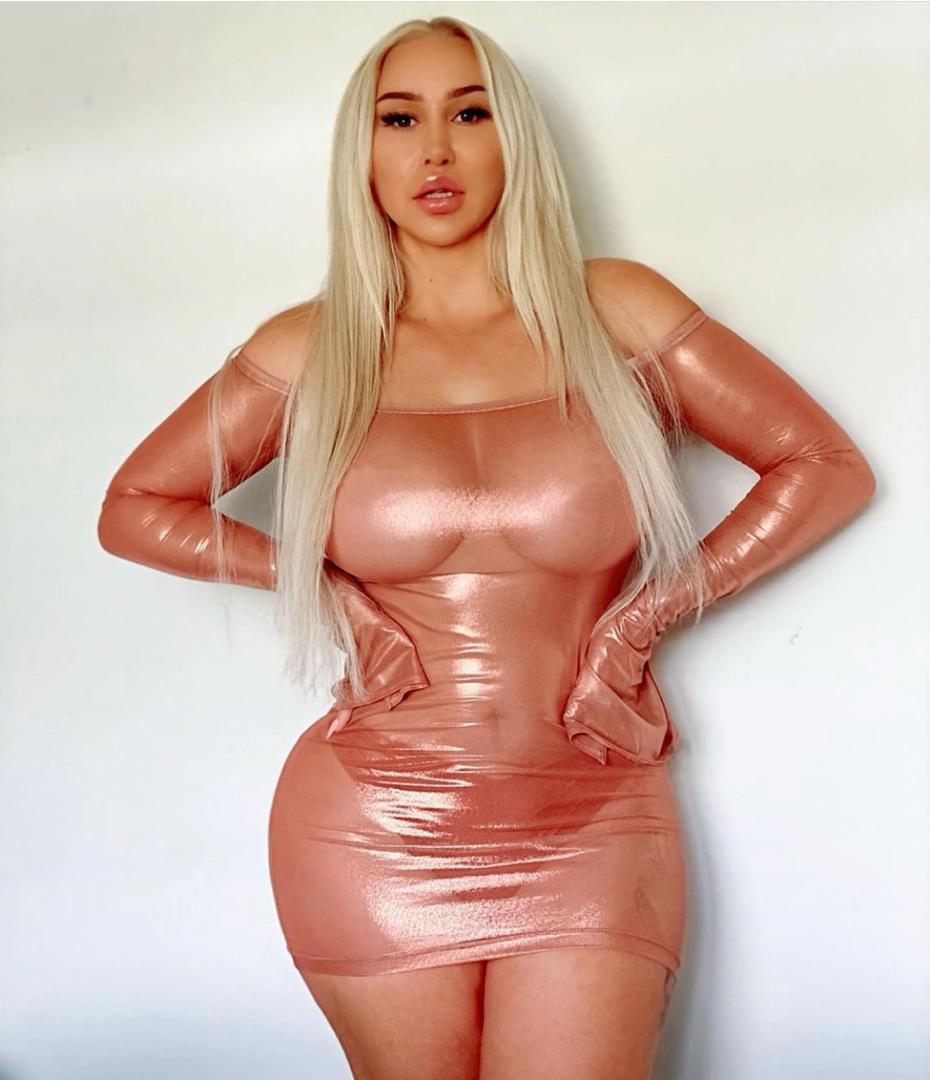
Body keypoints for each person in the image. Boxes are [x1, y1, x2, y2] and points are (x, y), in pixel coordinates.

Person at [96, 16, 877, 1080]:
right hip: (375, 822)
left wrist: (647, 616)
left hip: (595, 809)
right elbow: (135, 504)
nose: (436, 149)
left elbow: (823, 465)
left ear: (514, 139)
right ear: (362, 155)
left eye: (471, 114)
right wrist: (325, 591)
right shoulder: (313, 348)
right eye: (399, 120)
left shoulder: (616, 310)